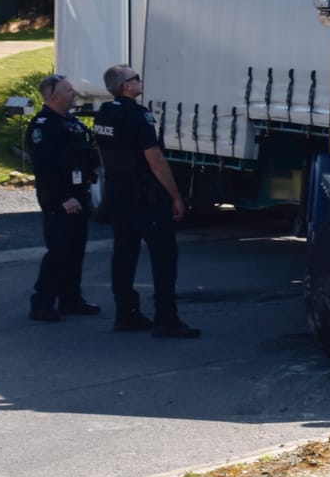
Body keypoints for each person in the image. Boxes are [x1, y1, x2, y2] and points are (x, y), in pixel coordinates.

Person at [94, 64, 200, 338]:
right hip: (145, 196)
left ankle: (126, 314)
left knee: (124, 254)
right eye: (136, 78)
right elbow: (155, 160)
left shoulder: (104, 113)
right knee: (164, 256)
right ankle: (166, 318)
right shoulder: (139, 115)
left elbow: (103, 153)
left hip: (118, 194)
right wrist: (175, 195)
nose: (140, 81)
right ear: (126, 86)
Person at [26, 74, 101, 322]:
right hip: (60, 198)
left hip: (78, 193)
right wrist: (63, 198)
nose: (74, 94)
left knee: (75, 250)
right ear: (53, 96)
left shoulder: (70, 121)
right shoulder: (44, 126)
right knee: (59, 251)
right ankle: (42, 303)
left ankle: (71, 299)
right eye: (69, 91)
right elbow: (45, 168)